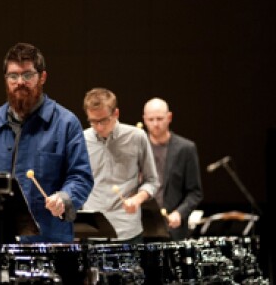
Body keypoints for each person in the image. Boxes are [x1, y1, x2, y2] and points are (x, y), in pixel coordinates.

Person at [0, 43, 93, 242]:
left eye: (27, 75)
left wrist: (64, 198)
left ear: (42, 77)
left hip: (48, 243)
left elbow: (81, 177)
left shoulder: (66, 124)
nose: (20, 82)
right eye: (13, 76)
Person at [83, 88, 159, 241]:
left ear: (116, 113)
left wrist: (137, 199)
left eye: (104, 120)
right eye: (93, 121)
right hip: (93, 230)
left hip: (128, 229)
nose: (99, 127)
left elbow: (152, 181)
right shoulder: (81, 140)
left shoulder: (136, 137)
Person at [142, 97, 203, 239]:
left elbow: (195, 192)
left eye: (160, 119)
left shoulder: (186, 149)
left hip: (172, 228)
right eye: (151, 119)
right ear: (144, 119)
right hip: (141, 227)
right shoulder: (138, 147)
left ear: (169, 117)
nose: (155, 124)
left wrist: (180, 213)